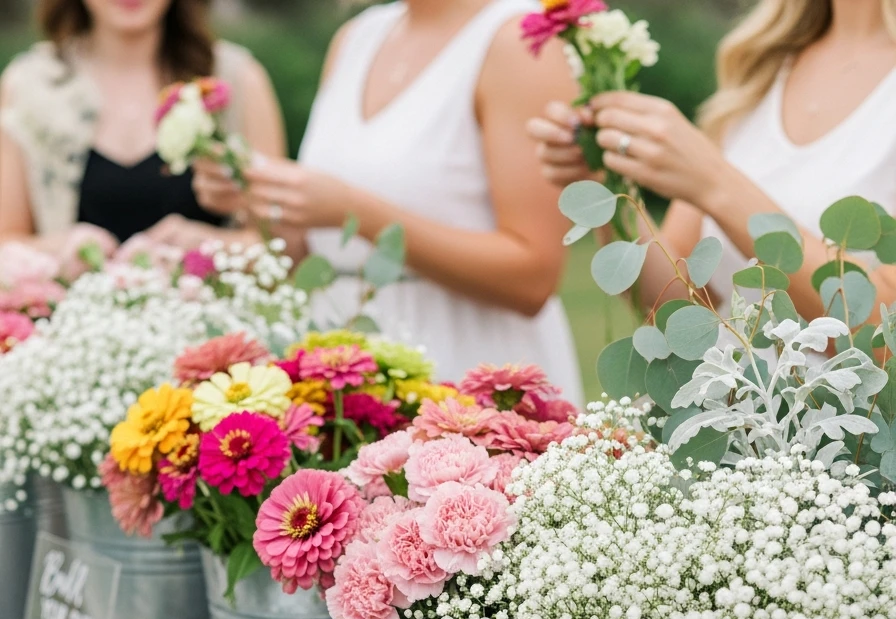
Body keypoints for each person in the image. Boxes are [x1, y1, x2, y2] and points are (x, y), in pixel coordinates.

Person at [193, 0, 583, 398]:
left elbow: (533, 277)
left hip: (471, 375)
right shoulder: (356, 38)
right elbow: (317, 252)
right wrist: (256, 197)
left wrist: (355, 213)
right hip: (350, 382)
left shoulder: (516, 42)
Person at [527, 0, 896, 318]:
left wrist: (716, 184)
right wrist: (608, 181)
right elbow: (676, 312)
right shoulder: (762, 64)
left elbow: (883, 338)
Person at [0, 0, 285, 258]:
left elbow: (283, 245)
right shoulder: (28, 86)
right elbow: (6, 244)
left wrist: (209, 247)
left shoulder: (235, 80)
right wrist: (60, 250)